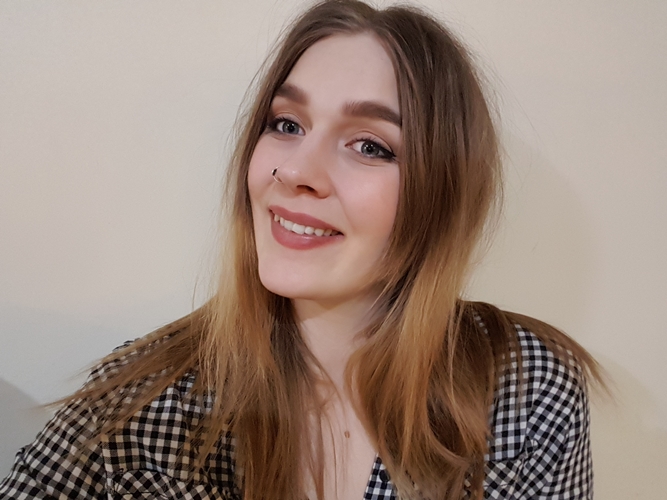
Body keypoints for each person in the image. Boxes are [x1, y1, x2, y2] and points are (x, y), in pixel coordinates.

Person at [0, 1, 604, 499]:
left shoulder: (528, 393)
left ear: (442, 194)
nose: (294, 172)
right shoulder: (136, 400)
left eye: (370, 146)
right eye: (286, 124)